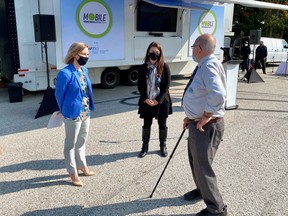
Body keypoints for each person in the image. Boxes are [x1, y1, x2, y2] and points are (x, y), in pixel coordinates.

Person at [182, 34, 227, 216]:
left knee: (203, 167)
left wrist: (206, 116)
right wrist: (191, 116)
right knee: (196, 163)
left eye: (193, 47)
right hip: (198, 124)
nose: (192, 50)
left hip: (206, 126)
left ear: (199, 49)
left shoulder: (208, 65)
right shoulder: (206, 64)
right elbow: (202, 93)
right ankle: (202, 190)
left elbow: (218, 94)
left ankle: (216, 209)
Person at [55, 42, 95, 187]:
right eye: (84, 54)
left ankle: (82, 166)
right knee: (70, 144)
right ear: (75, 55)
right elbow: (59, 95)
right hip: (72, 113)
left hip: (85, 112)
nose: (86, 57)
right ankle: (72, 172)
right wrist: (64, 110)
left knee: (82, 141)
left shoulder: (85, 70)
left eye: (87, 55)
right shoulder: (65, 73)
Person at [137, 41, 173, 158]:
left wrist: (158, 99)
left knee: (162, 124)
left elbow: (167, 85)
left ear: (160, 53)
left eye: (157, 52)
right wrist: (145, 98)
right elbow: (140, 86)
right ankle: (145, 147)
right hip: (147, 101)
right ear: (148, 53)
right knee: (146, 124)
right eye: (152, 52)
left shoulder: (164, 67)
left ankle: (163, 146)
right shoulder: (143, 68)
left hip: (161, 102)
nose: (154, 54)